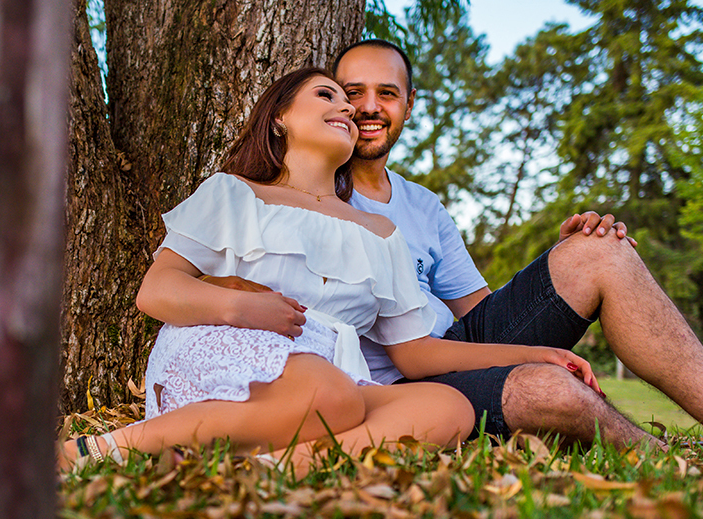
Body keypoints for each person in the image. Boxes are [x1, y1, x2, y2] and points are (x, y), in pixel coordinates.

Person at [208, 39, 703, 451]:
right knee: (548, 391)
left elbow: (480, 311)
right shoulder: (303, 198)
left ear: (407, 107)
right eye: (349, 91)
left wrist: (554, 274)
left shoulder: (422, 205)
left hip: (452, 348)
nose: (366, 107)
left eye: (386, 93)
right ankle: (657, 453)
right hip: (390, 384)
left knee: (600, 250)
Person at [60, 68, 601, 473]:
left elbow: (416, 355)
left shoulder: (381, 235)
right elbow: (156, 291)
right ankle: (99, 451)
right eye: (327, 95)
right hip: (224, 345)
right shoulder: (235, 193)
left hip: (330, 376)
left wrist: (538, 352)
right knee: (334, 395)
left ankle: (258, 473)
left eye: (347, 102)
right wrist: (242, 305)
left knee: (448, 408)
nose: (346, 108)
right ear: (279, 116)